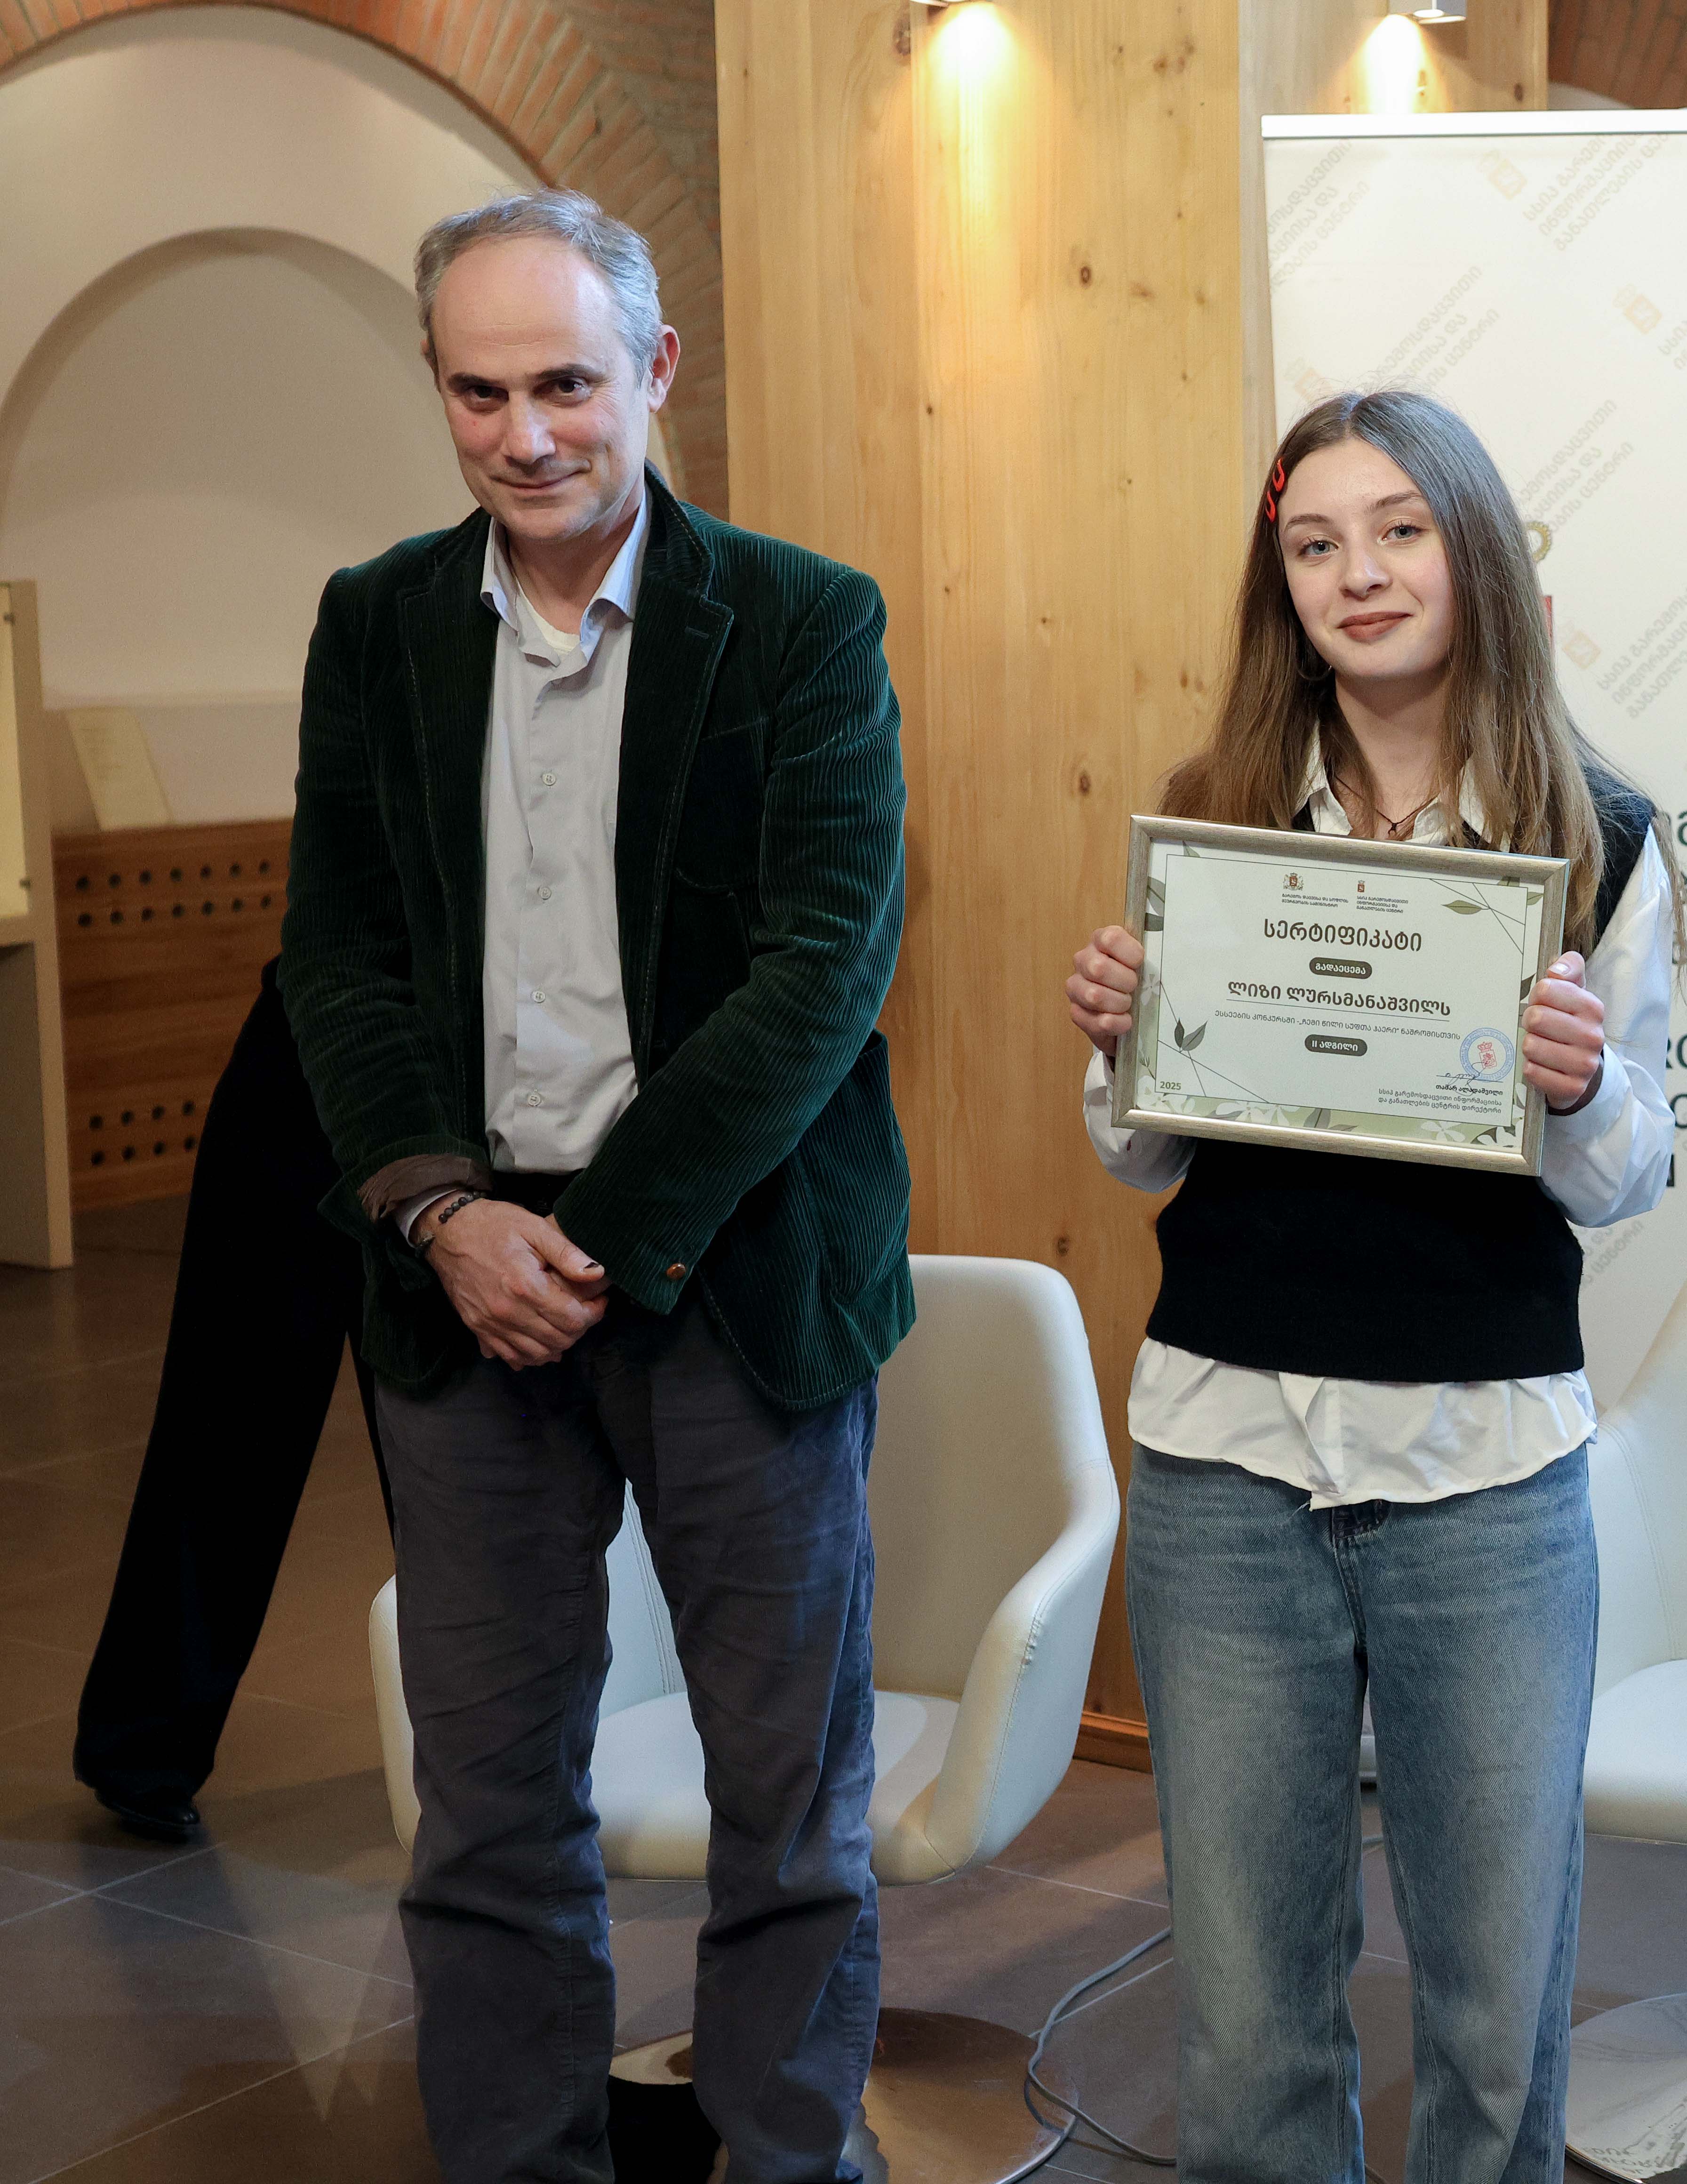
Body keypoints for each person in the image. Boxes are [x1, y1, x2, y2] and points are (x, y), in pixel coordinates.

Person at [280, 189, 911, 2184]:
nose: (527, 433)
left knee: (786, 1810)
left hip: (729, 1275)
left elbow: (821, 969)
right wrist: (445, 1217)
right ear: (437, 387)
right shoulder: (376, 621)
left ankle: (788, 2162)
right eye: (480, 392)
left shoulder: (802, 622)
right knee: (484, 1810)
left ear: (654, 369)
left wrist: (601, 1240)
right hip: (460, 1293)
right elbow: (340, 957)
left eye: (566, 382)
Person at [1063, 387, 1675, 2184]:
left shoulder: (1601, 830)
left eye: (1401, 530)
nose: (1362, 573)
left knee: (1496, 2014)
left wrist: (1582, 1086)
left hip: (1485, 1474)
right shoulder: (1214, 817)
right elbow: (1143, 1158)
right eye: (1318, 543)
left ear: (1473, 549)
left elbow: (1626, 1179)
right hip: (1225, 1459)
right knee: (1249, 2015)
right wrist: (1118, 1047)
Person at [72, 960, 385, 1844]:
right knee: (228, 1417)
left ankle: (510, 1755)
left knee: (462, 1456)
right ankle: (143, 1739)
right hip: (316, 1043)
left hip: (470, 1078)